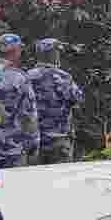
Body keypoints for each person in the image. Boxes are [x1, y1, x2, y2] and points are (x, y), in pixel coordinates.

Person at [0, 32, 38, 168]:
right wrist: (33, 142)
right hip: (11, 150)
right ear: (15, 51)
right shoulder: (20, 77)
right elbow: (28, 115)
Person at [27, 37, 83, 165]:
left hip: (35, 140)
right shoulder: (64, 77)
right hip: (59, 140)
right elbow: (78, 99)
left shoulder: (27, 76)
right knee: (61, 181)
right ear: (54, 55)